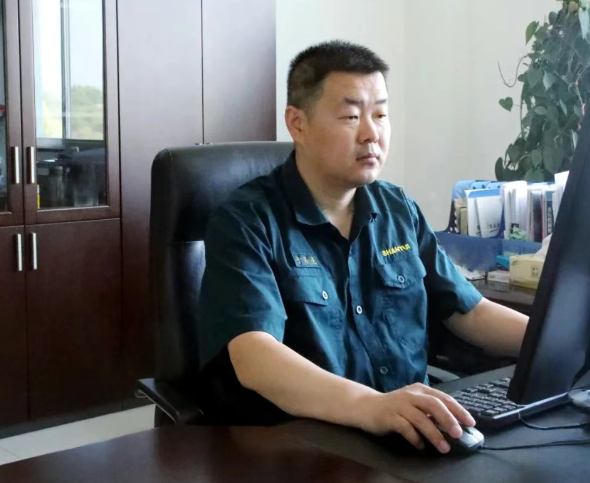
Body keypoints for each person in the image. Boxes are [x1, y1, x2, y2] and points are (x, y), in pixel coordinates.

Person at [198, 40, 528, 453]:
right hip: (302, 449)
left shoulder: (397, 209)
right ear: (297, 124)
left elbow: (468, 311)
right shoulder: (247, 220)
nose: (372, 133)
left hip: (409, 435)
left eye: (381, 115)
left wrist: (560, 344)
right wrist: (372, 406)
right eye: (352, 116)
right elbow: (255, 357)